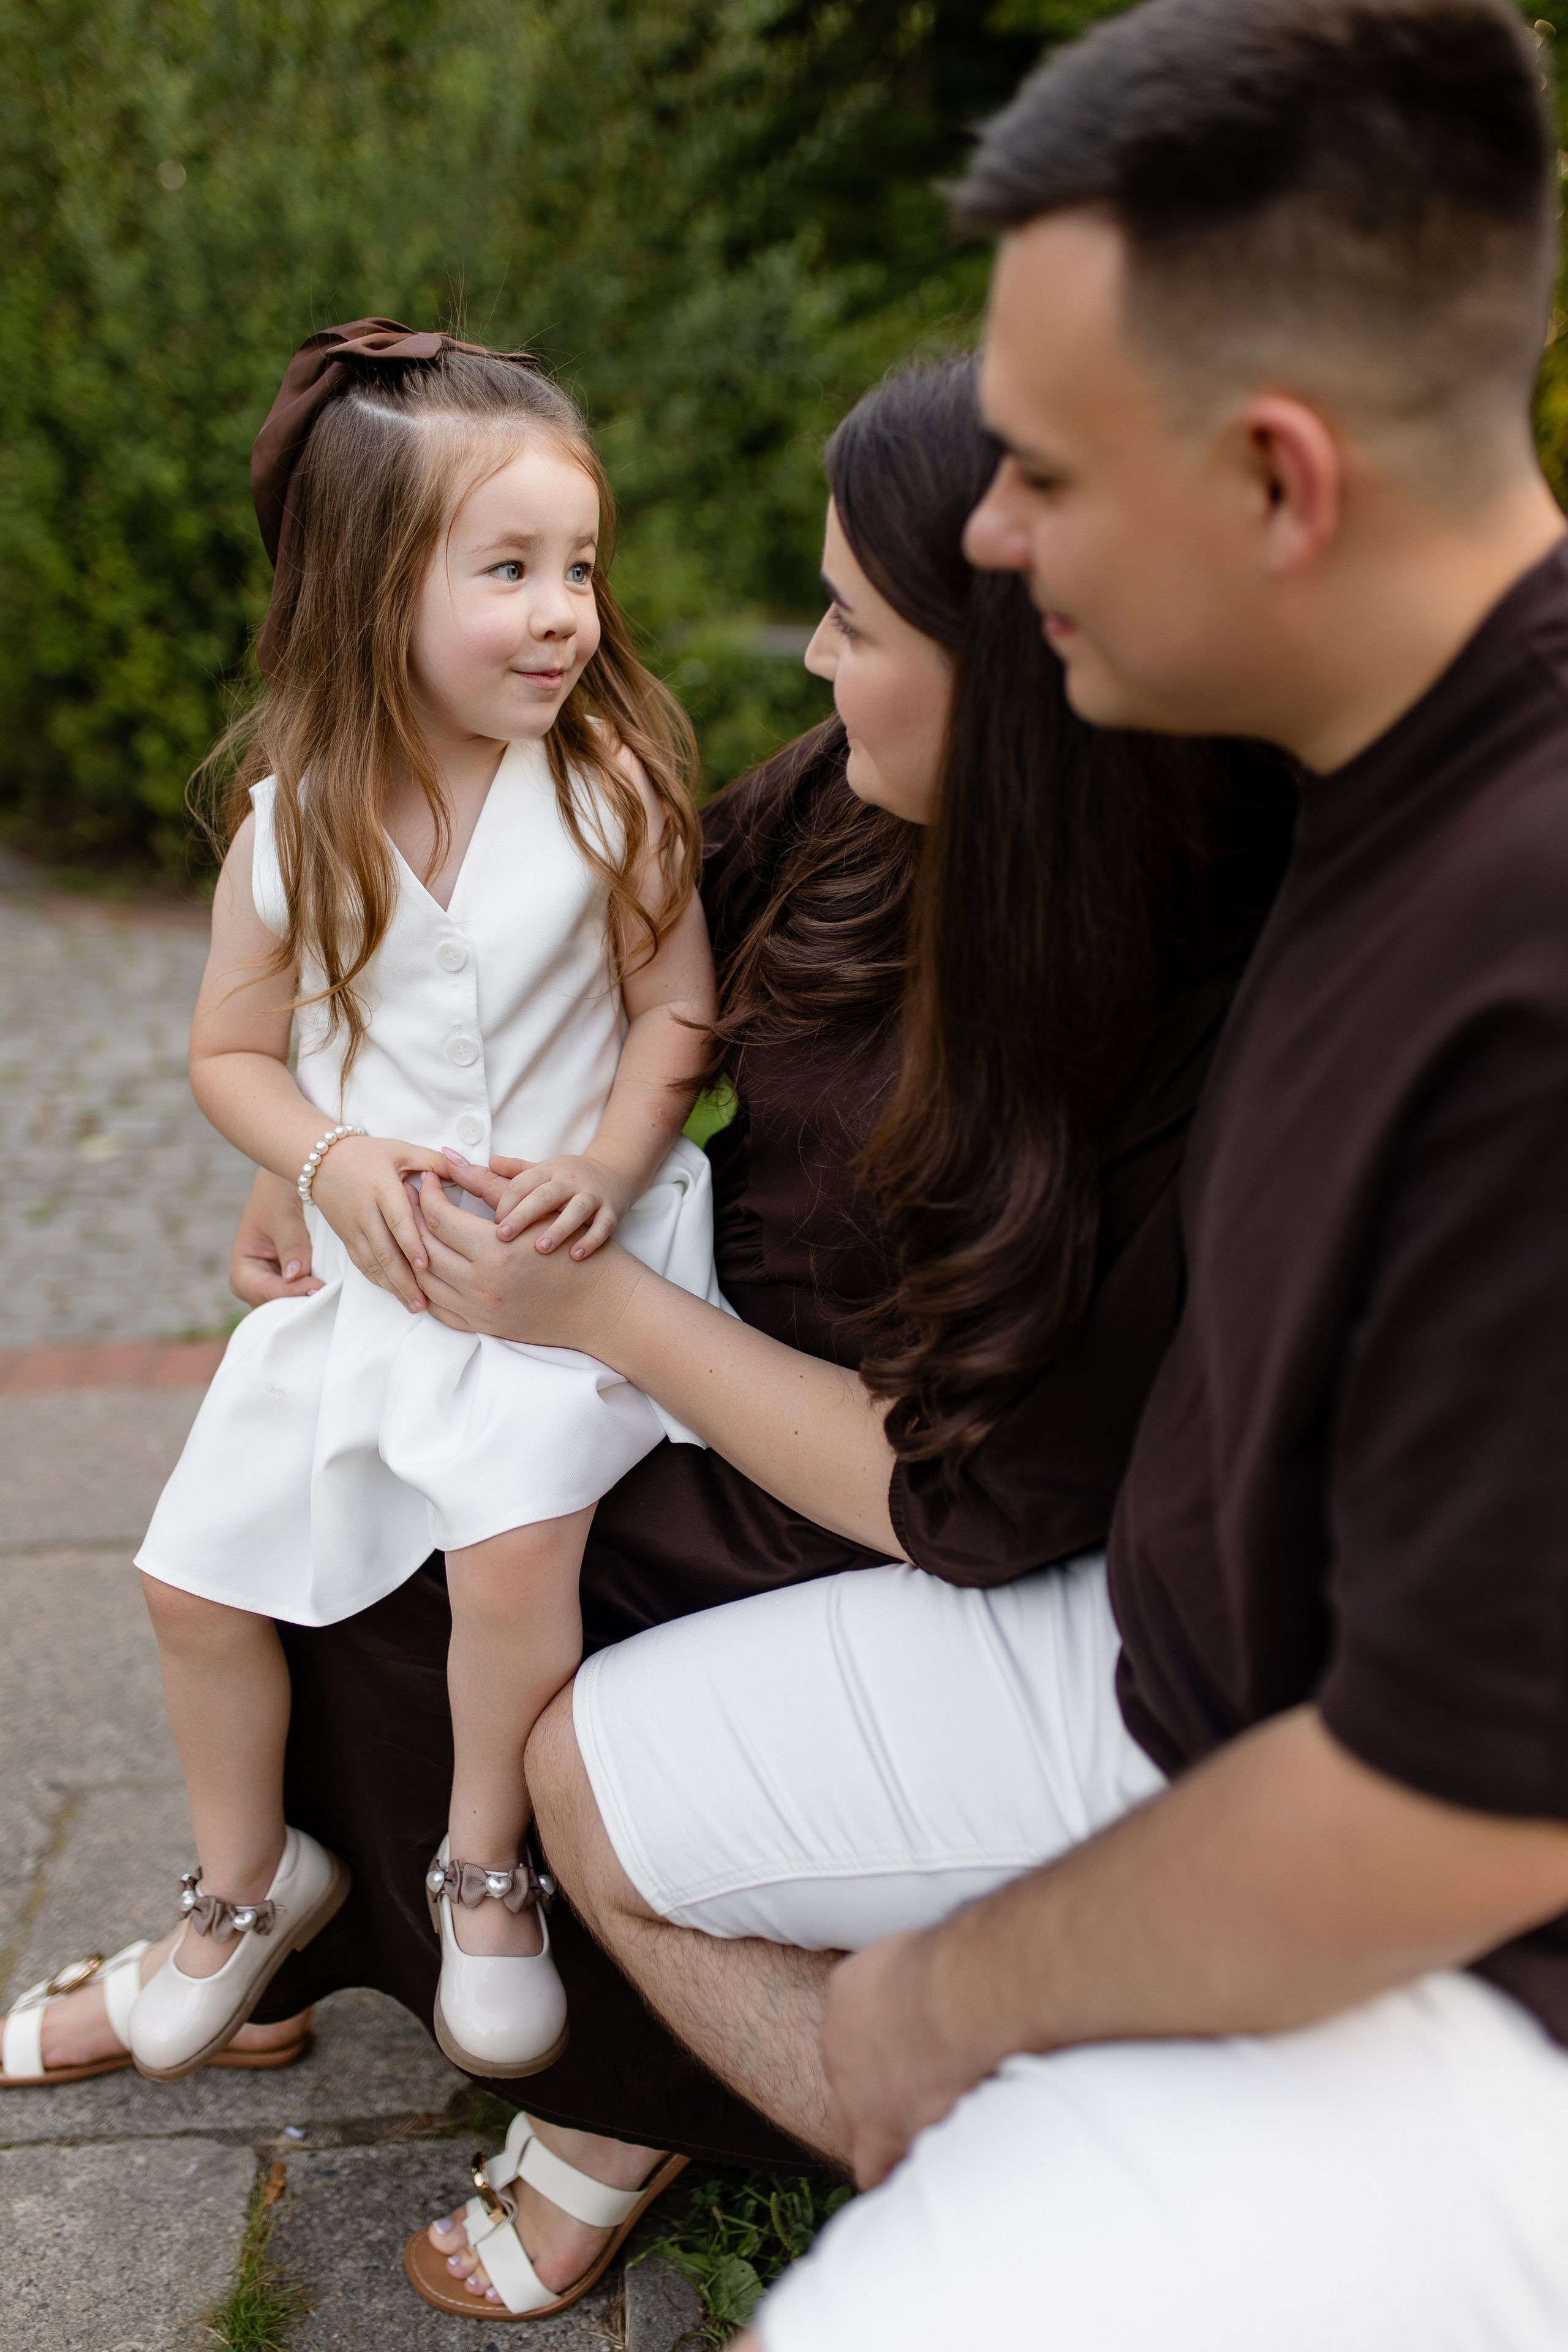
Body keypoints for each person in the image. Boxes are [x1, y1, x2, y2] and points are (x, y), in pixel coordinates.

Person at [402, 2, 1568, 2344]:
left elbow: (1458, 1803)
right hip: (1177, 1633)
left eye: (1038, 469)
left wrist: (952, 2002)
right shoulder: (1354, 762)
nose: (998, 533)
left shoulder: (1521, 957)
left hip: (1428, 1947)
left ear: (1278, 480)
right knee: (555, 1717)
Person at [0, 359, 1294, 2318]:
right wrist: (324, 1138)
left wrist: (589, 1305)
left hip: (870, 1473)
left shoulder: (1188, 1002)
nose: (810, 656)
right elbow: (565, 965)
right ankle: (261, 1916)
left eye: (855, 621)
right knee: (309, 1500)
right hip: (680, 1315)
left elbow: (981, 1494)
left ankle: (626, 2088)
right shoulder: (859, 805)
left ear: (1030, 672)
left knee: (496, 1582)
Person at [126, 320, 722, 2089]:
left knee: (515, 1545)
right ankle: (251, 1880)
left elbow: (676, 1005)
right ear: (375, 590)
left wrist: (608, 1167)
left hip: (557, 1267)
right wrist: (321, 1161)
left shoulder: (609, 798)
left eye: (581, 568)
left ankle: (483, 1861)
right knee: (186, 1578)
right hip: (380, 1269)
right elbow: (238, 1051)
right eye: (511, 572)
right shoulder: (295, 820)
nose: (563, 614)